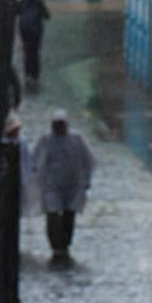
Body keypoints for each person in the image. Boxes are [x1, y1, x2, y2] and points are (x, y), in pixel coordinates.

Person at [31, 109, 94, 262]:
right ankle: (55, 246)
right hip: (51, 186)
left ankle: (65, 245)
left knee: (69, 215)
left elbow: (89, 160)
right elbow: (35, 160)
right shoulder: (46, 140)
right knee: (52, 215)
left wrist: (86, 180)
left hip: (72, 186)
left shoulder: (76, 140)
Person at [16, 0, 51, 92]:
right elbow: (47, 16)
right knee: (34, 53)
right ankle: (35, 77)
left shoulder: (21, 2)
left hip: (24, 31)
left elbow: (16, 12)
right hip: (36, 31)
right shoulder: (39, 3)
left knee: (27, 52)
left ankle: (28, 76)